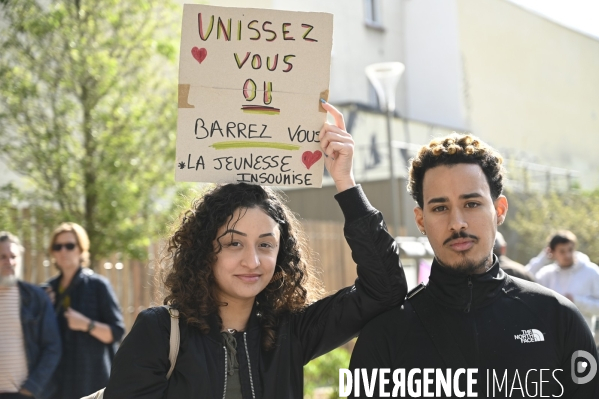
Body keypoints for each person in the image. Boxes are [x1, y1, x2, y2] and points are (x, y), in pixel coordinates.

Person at [103, 101, 407, 398]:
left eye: (265, 244)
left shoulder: (292, 333)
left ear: (281, 253)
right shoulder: (159, 332)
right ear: (204, 251)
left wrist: (344, 180)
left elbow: (385, 289)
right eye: (234, 243)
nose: (252, 260)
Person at [349, 133, 599, 397]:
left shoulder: (558, 318)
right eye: (440, 208)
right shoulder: (385, 334)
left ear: (499, 210)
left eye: (471, 204)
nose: (457, 222)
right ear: (421, 220)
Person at [46, 223, 125, 399]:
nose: (63, 251)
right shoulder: (48, 290)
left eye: (70, 245)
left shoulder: (98, 286)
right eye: (58, 247)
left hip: (92, 382)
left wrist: (86, 325)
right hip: (57, 385)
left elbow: (117, 332)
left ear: (81, 250)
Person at [0, 232, 61, 399]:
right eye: (3, 257)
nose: (9, 262)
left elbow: (52, 347)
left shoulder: (36, 298)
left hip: (23, 394)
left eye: (13, 256)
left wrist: (31, 388)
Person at [536, 230, 599, 344]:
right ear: (553, 252)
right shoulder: (546, 274)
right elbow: (522, 276)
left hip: (583, 340)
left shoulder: (592, 272)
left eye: (570, 250)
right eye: (562, 251)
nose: (568, 255)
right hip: (552, 341)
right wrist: (542, 258)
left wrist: (576, 301)